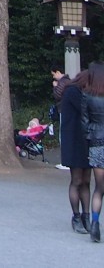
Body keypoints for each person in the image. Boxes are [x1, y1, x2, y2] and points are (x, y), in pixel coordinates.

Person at [81, 62, 104, 241]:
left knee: (99, 189)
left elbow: (84, 123)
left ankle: (95, 223)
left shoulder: (87, 95)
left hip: (96, 142)